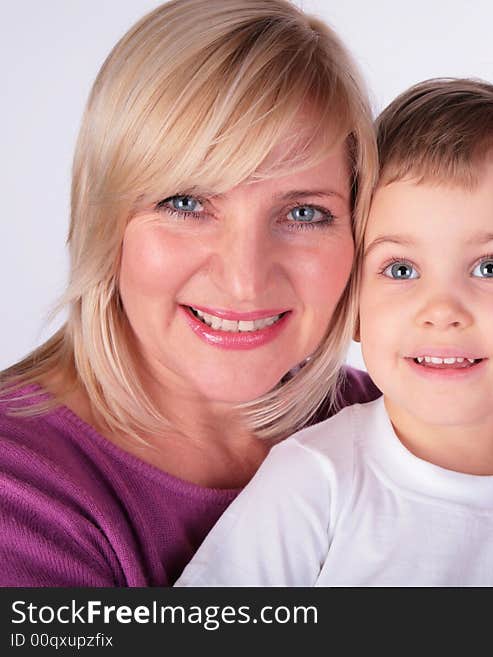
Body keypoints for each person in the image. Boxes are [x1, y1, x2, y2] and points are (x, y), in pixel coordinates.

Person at [176, 79, 493, 586]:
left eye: (489, 267)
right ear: (352, 304)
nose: (441, 310)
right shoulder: (316, 479)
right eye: (400, 270)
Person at [0, 0, 381, 587]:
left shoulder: (395, 420)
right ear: (105, 218)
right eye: (186, 203)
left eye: (304, 212)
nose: (244, 279)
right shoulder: (19, 488)